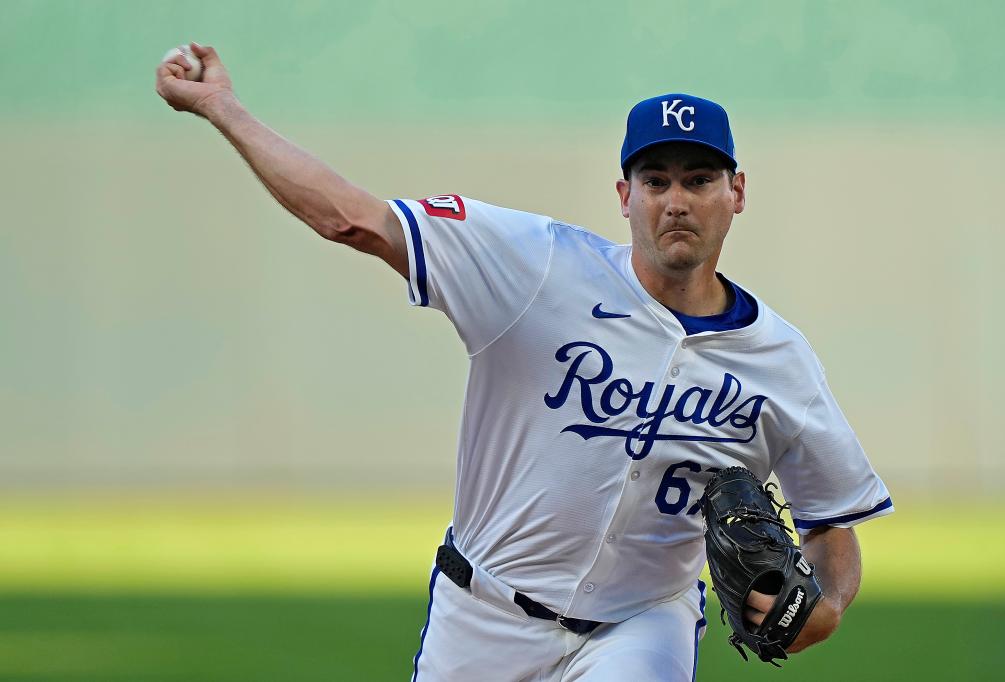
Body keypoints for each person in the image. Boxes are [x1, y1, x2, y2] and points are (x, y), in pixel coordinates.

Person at [156, 43, 894, 681]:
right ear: (623, 195)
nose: (677, 200)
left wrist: (818, 613)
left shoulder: (780, 361)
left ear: (736, 193)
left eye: (699, 179)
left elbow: (833, 524)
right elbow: (353, 218)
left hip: (642, 626)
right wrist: (224, 108)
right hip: (482, 614)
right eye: (656, 179)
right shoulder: (535, 267)